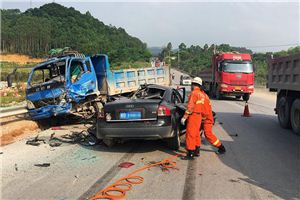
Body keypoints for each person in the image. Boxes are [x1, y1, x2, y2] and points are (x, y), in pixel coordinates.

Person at [181, 77, 205, 160]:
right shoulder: (202, 94)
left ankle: (190, 153)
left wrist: (184, 117)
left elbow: (190, 107)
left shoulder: (194, 93)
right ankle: (197, 151)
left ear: (193, 84)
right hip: (199, 116)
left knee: (190, 134)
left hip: (193, 116)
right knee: (196, 134)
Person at [201, 88, 226, 155]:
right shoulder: (202, 95)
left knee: (208, 134)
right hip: (205, 118)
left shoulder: (202, 97)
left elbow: (205, 111)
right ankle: (195, 149)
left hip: (207, 119)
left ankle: (221, 147)